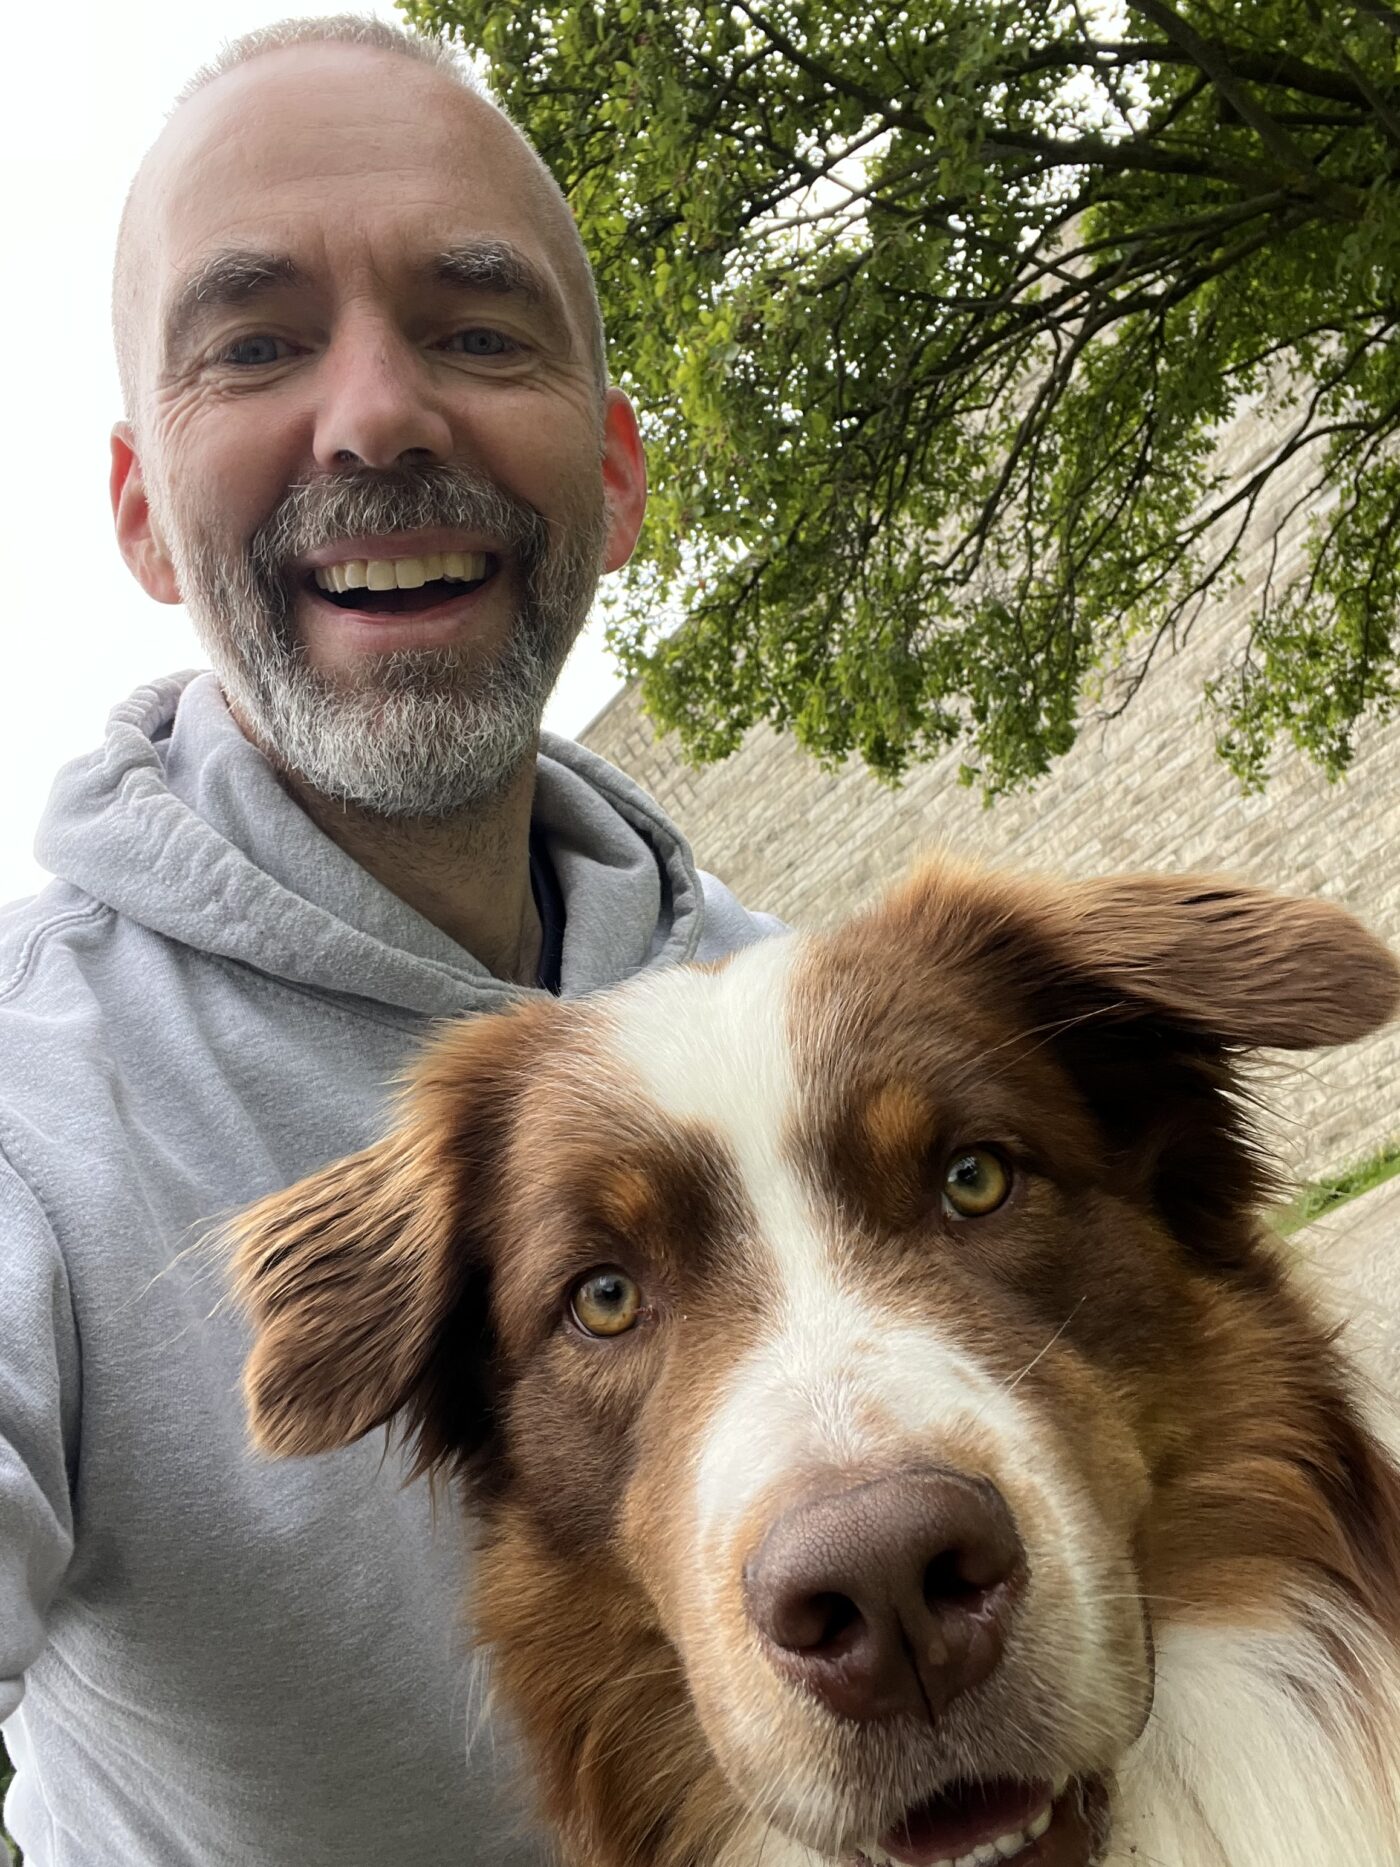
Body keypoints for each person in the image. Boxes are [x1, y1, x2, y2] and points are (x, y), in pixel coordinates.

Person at [0, 17, 780, 1864]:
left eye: (478, 330)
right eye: (257, 344)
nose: (378, 417)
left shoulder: (790, 1006)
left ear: (612, 475)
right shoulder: (32, 1111)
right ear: (143, 519)